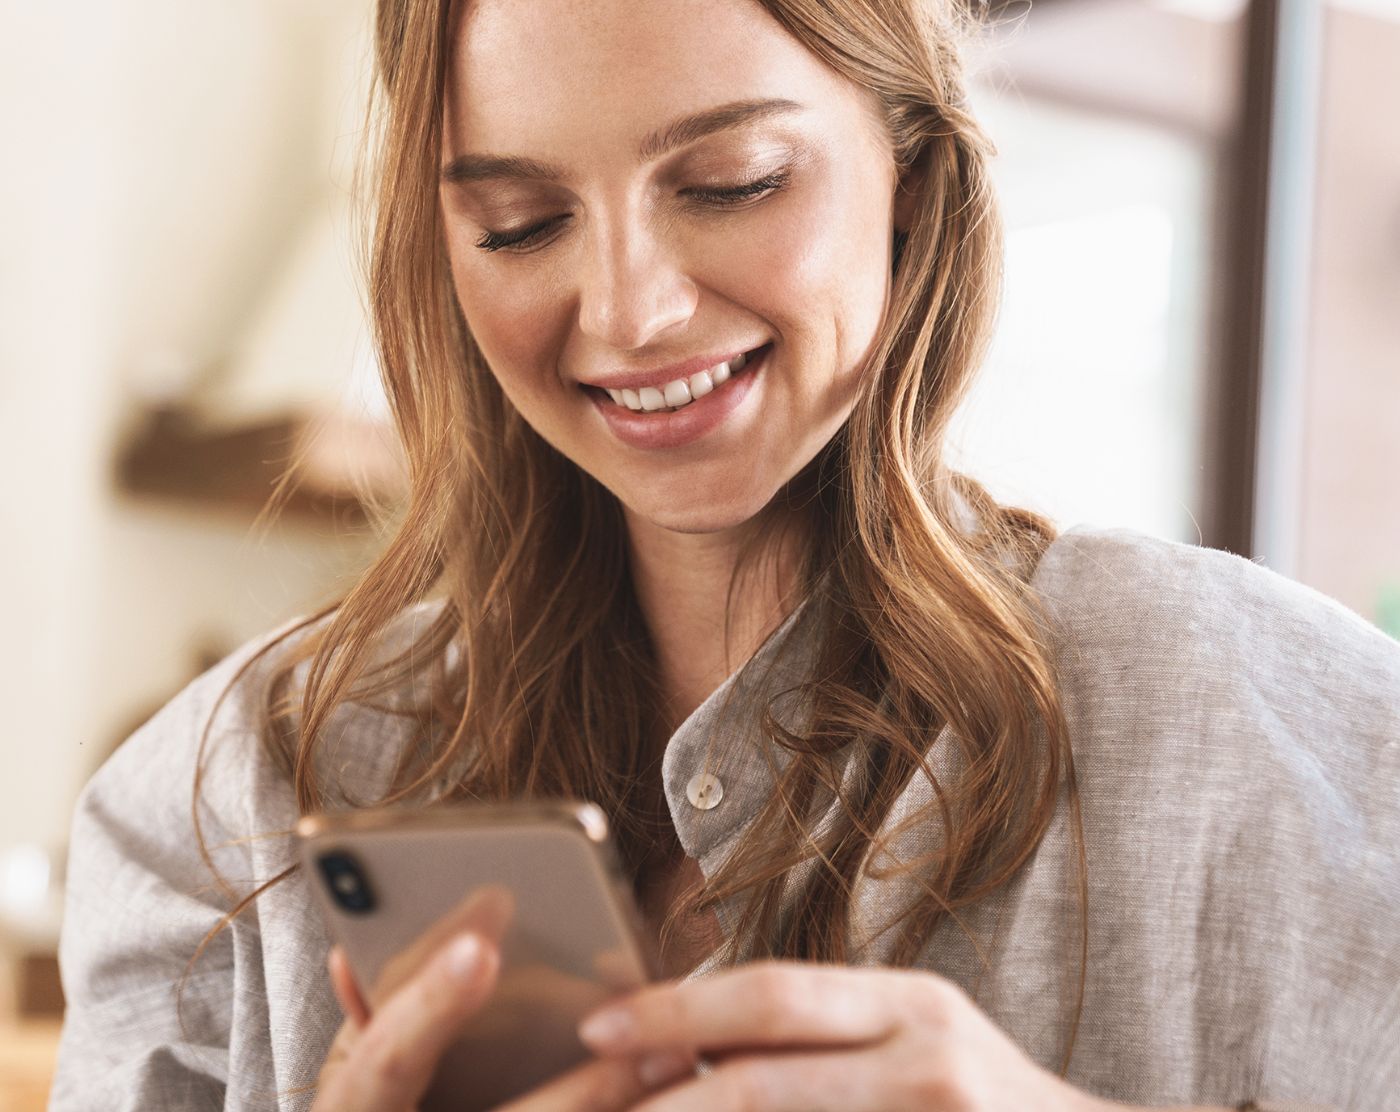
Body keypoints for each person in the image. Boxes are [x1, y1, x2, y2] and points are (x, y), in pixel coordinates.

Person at [50, 0, 1400, 1109]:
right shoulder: (220, 818)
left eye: (729, 184)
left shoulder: (1287, 741)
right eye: (519, 221)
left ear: (912, 180)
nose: (630, 310)